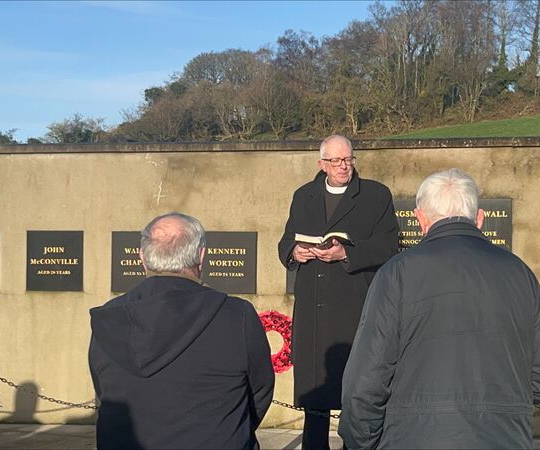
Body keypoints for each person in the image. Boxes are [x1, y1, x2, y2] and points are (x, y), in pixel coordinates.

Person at [339, 169, 540, 449]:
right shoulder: (519, 273)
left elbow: (366, 380)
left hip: (413, 437)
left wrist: (361, 442)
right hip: (504, 438)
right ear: (479, 218)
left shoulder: (397, 273)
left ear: (420, 219)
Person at [89, 212, 274, 449]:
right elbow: (259, 393)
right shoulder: (236, 315)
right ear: (201, 255)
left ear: (142, 257)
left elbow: (102, 390)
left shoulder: (109, 316)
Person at [277, 135, 399, 449]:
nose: (343, 166)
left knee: (355, 393)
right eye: (335, 161)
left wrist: (346, 254)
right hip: (314, 307)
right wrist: (296, 251)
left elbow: (388, 245)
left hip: (353, 305)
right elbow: (285, 241)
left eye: (348, 159)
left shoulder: (375, 195)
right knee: (316, 393)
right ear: (322, 164)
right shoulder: (304, 195)